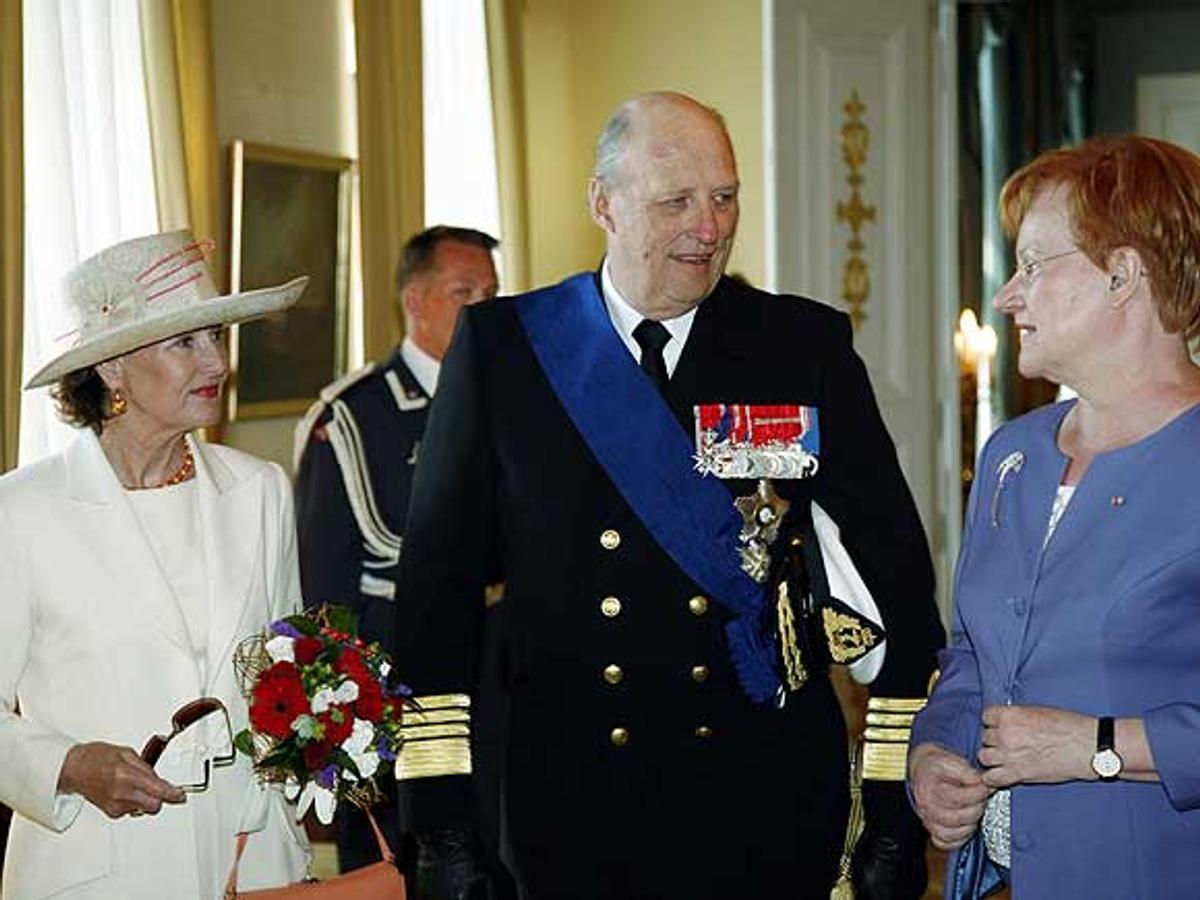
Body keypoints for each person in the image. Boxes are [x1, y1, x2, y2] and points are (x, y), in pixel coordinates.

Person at [389, 91, 944, 900]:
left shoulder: (801, 346)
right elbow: (434, 599)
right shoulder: (506, 351)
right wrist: (440, 825)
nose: (709, 228)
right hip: (575, 811)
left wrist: (893, 817)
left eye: (724, 198)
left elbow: (899, 581)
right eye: (676, 201)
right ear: (603, 204)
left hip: (766, 802)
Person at [909, 135, 1200, 899]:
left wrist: (1099, 747)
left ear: (1122, 275)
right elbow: (973, 657)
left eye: (1033, 265)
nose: (1008, 296)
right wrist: (934, 754)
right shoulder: (1012, 455)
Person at [0, 230, 311, 899]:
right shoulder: (21, 511)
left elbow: (290, 674)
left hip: (252, 859)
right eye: (185, 342)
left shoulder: (261, 490)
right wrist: (69, 765)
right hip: (100, 864)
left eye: (216, 336)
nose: (217, 362)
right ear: (112, 368)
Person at [292, 224, 498, 873]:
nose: (483, 308)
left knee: (498, 858)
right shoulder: (355, 417)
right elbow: (326, 584)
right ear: (415, 301)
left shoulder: (509, 395)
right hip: (401, 690)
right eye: (464, 293)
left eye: (491, 294)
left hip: (499, 681)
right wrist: (346, 720)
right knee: (403, 865)